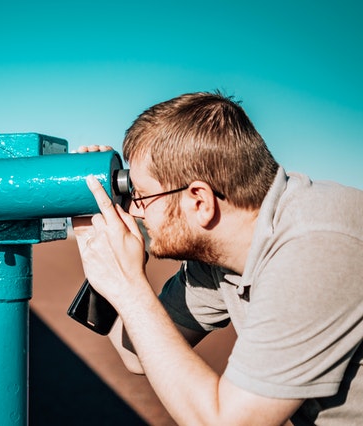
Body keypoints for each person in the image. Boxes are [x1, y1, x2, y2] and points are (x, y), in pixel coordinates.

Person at [73, 91, 363, 425]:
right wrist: (97, 244)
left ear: (200, 201)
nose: (133, 208)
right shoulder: (219, 255)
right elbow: (136, 354)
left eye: (141, 194)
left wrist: (129, 287)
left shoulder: (316, 249)